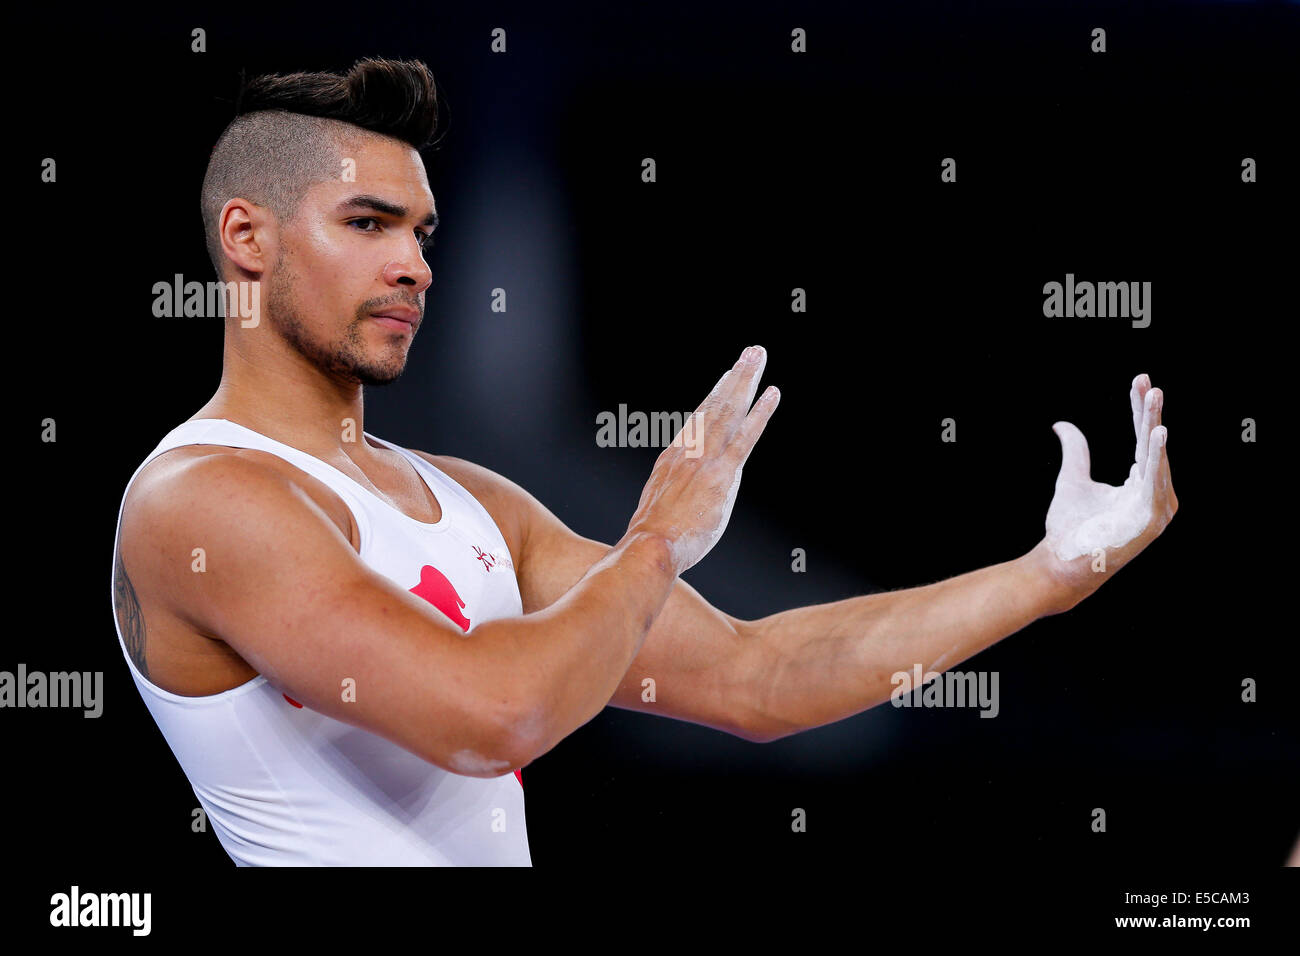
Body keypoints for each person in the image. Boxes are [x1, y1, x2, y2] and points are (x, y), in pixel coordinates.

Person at [110, 57, 1178, 866]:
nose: (416, 265)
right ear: (247, 238)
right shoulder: (200, 499)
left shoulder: (469, 499)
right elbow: (492, 717)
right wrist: (657, 541)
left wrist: (1046, 575)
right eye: (369, 222)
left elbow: (759, 677)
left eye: (425, 232)